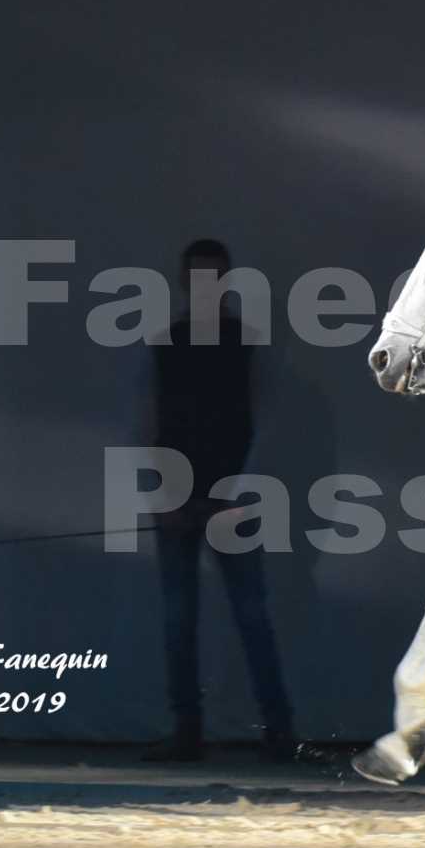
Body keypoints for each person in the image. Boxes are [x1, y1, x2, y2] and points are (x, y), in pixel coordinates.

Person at [140, 238, 298, 763]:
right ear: (186, 282)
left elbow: (263, 423)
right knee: (175, 619)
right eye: (197, 277)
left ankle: (279, 733)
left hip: (236, 505)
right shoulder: (167, 342)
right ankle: (188, 732)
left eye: (215, 277)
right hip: (178, 503)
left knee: (252, 616)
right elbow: (156, 423)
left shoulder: (246, 344)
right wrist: (167, 499)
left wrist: (234, 495)